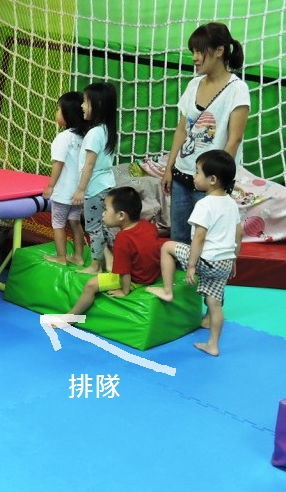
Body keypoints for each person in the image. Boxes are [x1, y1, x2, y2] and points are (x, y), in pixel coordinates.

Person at [161, 22, 249, 244]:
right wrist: (169, 168)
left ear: (219, 51)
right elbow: (181, 130)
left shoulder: (237, 89)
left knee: (206, 242)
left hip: (210, 181)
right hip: (182, 174)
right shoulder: (194, 84)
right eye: (193, 52)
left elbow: (234, 140)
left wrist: (216, 183)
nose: (195, 58)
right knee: (179, 238)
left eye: (200, 51)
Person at [148, 150, 241, 357]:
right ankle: (213, 345)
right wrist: (234, 259)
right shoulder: (231, 203)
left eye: (197, 172)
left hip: (206, 260)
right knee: (214, 304)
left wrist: (191, 265)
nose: (194, 176)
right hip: (224, 262)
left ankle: (167, 291)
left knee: (167, 247)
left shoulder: (204, 204)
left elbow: (199, 237)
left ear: (212, 179)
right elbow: (239, 234)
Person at [69, 187, 164, 318]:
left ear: (121, 215)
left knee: (91, 285)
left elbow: (125, 272)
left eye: (106, 209)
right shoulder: (148, 225)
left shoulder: (123, 238)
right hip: (152, 274)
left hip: (137, 280)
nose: (103, 214)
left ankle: (71, 317)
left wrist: (124, 291)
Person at [72, 82, 118, 274]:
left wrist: (81, 190)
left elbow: (89, 165)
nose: (82, 106)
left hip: (95, 188)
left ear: (97, 105)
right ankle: (109, 260)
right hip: (106, 185)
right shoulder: (107, 130)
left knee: (93, 228)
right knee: (102, 226)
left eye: (85, 101)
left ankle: (95, 265)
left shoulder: (94, 133)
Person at [42, 91, 88, 266]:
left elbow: (58, 164)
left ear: (68, 114)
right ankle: (78, 257)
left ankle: (61, 258)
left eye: (58, 109)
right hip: (78, 191)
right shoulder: (84, 138)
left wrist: (50, 186)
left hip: (63, 192)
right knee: (75, 222)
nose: (56, 113)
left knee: (58, 223)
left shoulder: (63, 138)